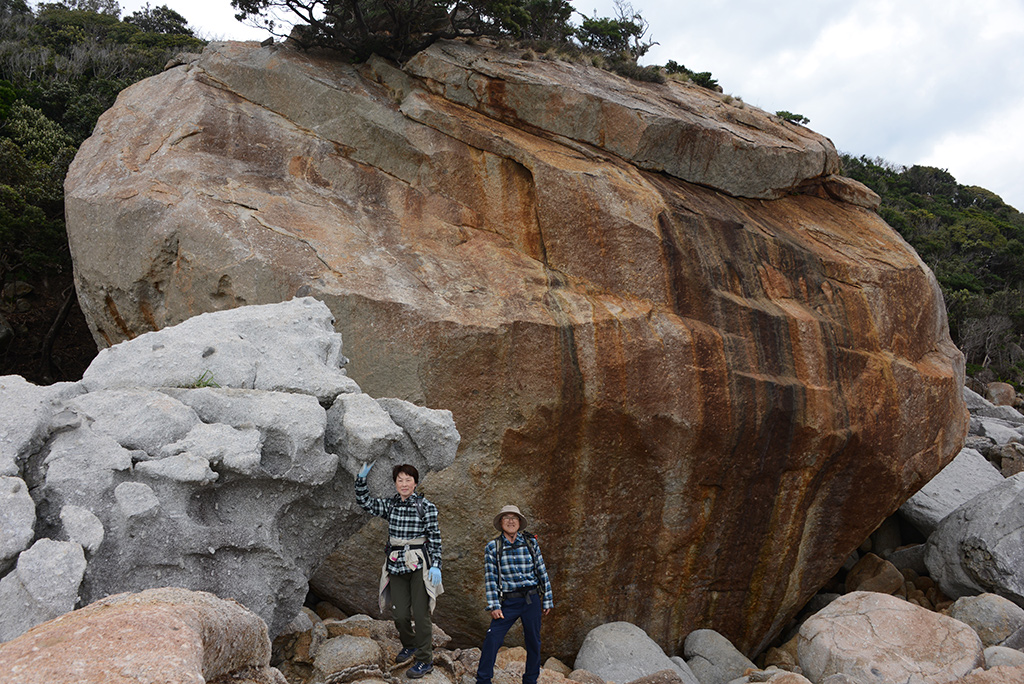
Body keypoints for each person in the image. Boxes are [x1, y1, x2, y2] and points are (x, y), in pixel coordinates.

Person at [356, 462, 443, 678]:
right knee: (400, 614)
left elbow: (435, 538)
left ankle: (425, 660)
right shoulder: (390, 506)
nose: (404, 484)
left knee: (421, 614)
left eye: (408, 480)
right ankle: (410, 644)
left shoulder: (426, 507)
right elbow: (365, 502)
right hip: (395, 563)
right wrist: (361, 479)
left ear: (415, 482)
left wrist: (436, 566)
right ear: (395, 483)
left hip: (419, 565)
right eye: (400, 480)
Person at [475, 505, 554, 684]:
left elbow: (541, 572)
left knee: (534, 641)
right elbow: (490, 578)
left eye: (514, 518)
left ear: (519, 522)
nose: (511, 521)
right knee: (492, 638)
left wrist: (547, 599)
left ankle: (530, 680)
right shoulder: (493, 547)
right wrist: (494, 605)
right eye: (506, 518)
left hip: (531, 599)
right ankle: (483, 679)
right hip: (508, 602)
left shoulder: (530, 542)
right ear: (501, 523)